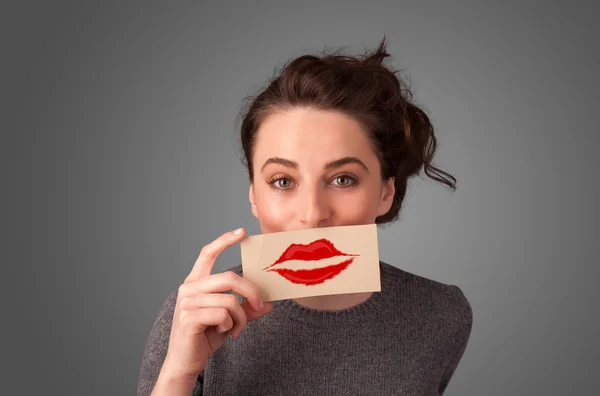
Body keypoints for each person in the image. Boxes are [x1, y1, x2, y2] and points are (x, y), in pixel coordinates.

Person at [137, 38, 473, 396]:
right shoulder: (194, 314)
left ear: (385, 193)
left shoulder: (440, 313)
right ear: (254, 193)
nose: (312, 214)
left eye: (343, 179)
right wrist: (179, 373)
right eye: (282, 181)